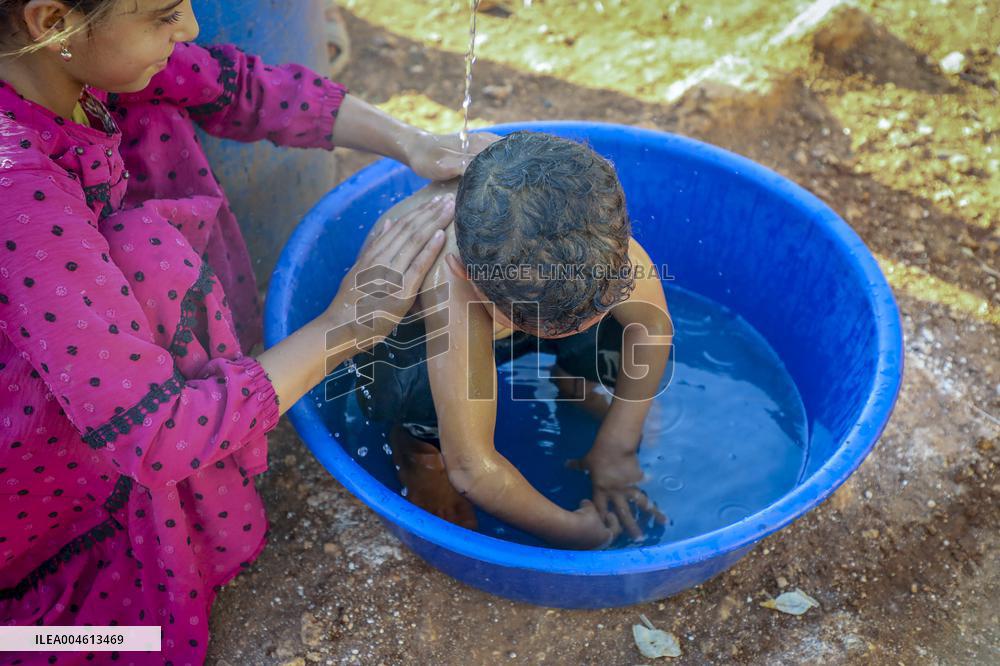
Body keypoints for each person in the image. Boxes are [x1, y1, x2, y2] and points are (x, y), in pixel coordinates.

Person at [0, 0, 496, 663]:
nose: (192, 29)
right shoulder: (22, 193)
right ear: (50, 20)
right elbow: (156, 434)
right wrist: (344, 327)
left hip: (89, 344)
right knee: (129, 634)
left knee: (153, 114)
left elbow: (238, 87)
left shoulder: (72, 66)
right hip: (50, 447)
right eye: (165, 15)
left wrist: (412, 142)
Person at [355, 131, 674, 549]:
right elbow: (472, 469)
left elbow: (651, 328)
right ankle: (419, 447)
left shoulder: (597, 238)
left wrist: (619, 443)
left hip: (520, 298)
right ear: (473, 280)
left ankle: (574, 380)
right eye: (564, 324)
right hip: (424, 332)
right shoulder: (447, 283)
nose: (585, 322)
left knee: (622, 323)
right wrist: (570, 532)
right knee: (402, 378)